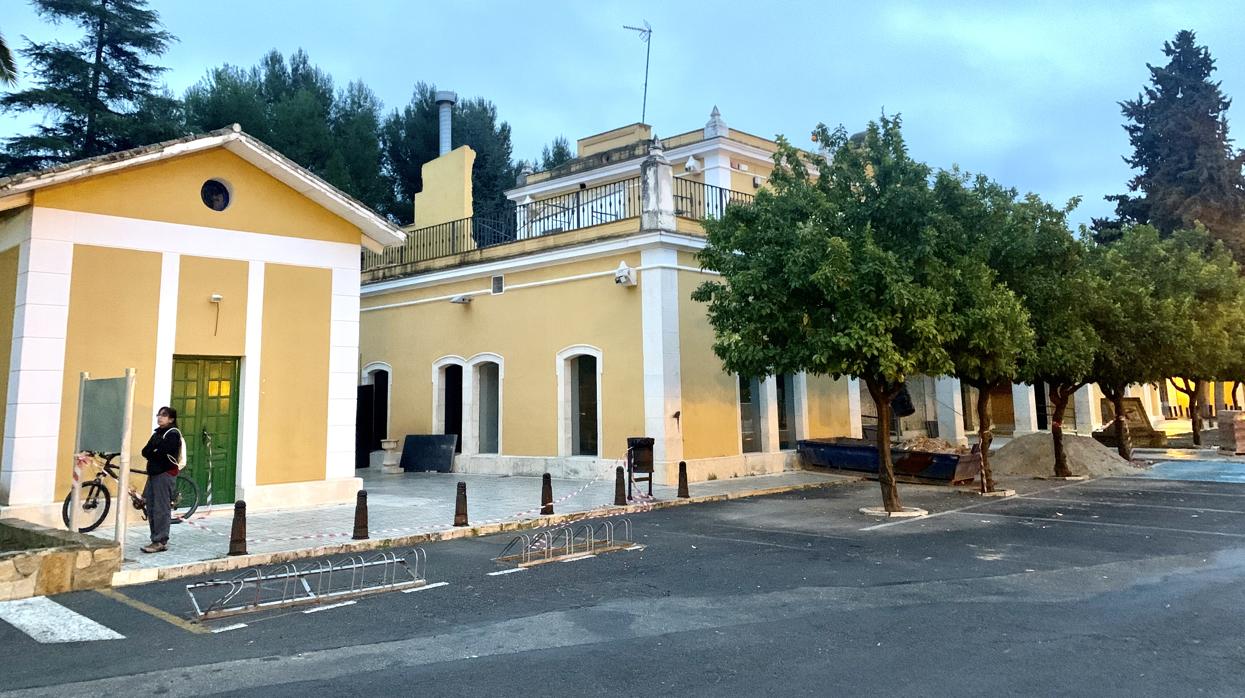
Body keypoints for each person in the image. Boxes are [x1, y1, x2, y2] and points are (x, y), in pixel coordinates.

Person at [139, 406, 182, 553]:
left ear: (171, 419)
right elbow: (145, 451)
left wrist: (155, 451)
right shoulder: (158, 433)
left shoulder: (172, 434)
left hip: (164, 474)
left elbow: (163, 453)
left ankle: (161, 540)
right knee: (151, 507)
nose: (159, 417)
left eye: (164, 415)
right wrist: (155, 451)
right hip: (154, 474)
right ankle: (154, 539)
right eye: (159, 415)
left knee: (161, 508)